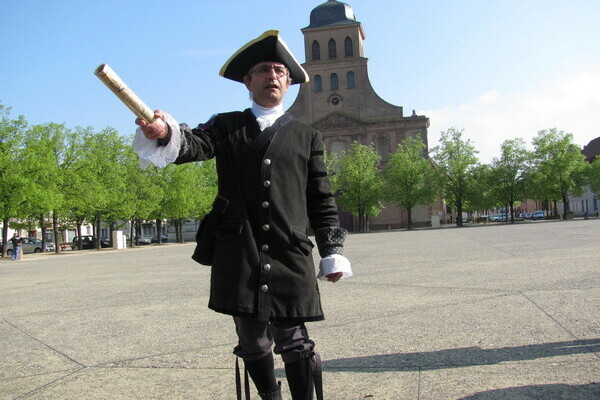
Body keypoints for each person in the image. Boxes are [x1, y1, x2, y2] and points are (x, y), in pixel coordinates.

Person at [134, 30, 352, 400]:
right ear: (248, 82)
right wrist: (165, 132)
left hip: (290, 249)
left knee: (295, 340)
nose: (273, 76)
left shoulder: (307, 136)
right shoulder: (226, 125)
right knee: (252, 341)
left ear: (288, 82)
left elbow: (321, 198)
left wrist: (332, 251)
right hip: (239, 250)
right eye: (264, 70)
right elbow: (193, 144)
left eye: (280, 71)